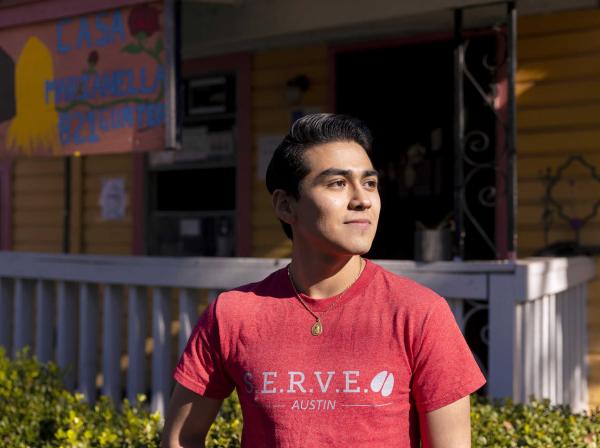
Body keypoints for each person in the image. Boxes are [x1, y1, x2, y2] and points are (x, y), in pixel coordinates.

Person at [161, 113, 485, 447]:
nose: (362, 199)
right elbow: (181, 438)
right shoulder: (232, 315)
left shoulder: (419, 313)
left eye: (370, 183)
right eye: (338, 183)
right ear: (286, 206)